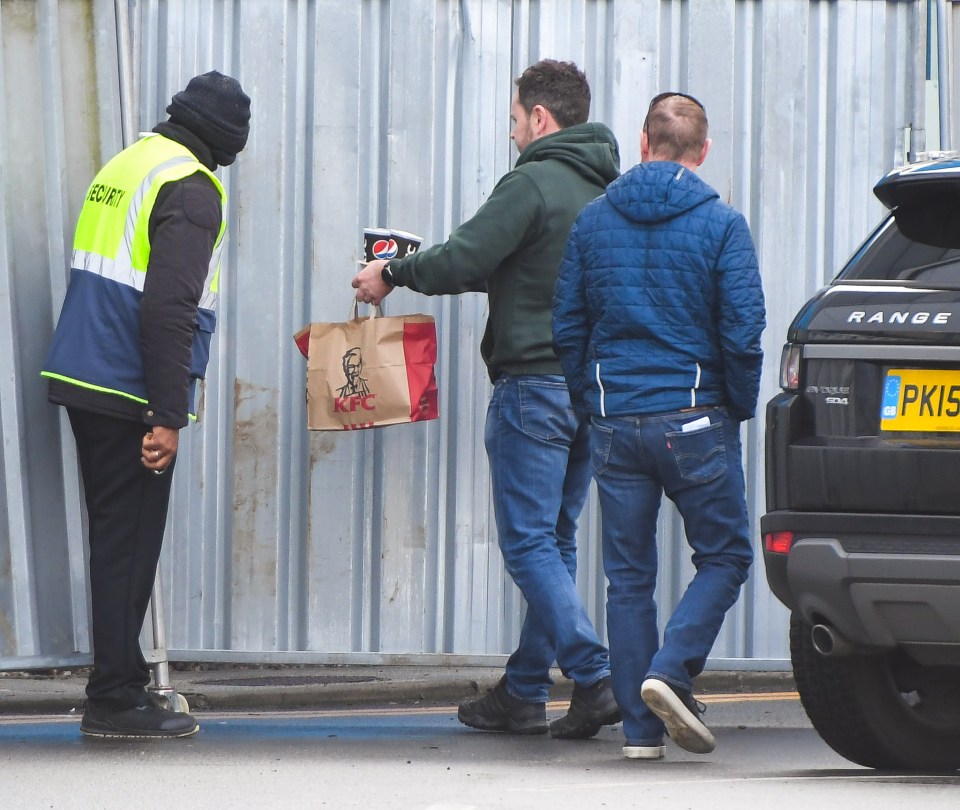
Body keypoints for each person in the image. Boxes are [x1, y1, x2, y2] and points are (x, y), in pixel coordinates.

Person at [352, 59, 621, 738]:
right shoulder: (610, 192)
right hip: (592, 391)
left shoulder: (533, 182)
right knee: (556, 542)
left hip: (532, 385)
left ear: (539, 117)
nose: (511, 134)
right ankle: (525, 689)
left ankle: (592, 677)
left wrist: (393, 271)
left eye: (513, 120)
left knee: (530, 544)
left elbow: (466, 258)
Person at [552, 92, 765, 759]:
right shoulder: (721, 223)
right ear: (702, 153)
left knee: (629, 577)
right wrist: (736, 405)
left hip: (618, 424)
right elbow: (744, 331)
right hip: (696, 419)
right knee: (726, 554)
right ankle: (670, 672)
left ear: (643, 143)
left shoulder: (593, 222)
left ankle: (641, 738)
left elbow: (567, 326)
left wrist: (593, 401)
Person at [41, 70, 252, 739]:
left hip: (85, 369)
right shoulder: (190, 187)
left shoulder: (130, 163)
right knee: (128, 543)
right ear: (224, 141)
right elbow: (168, 308)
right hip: (126, 387)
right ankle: (113, 699)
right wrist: (168, 413)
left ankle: (123, 681)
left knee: (117, 539)